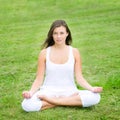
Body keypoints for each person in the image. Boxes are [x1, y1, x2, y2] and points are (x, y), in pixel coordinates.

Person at [21, 20, 103, 112]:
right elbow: (38, 79)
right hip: (48, 92)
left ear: (67, 34)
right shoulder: (44, 53)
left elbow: (79, 78)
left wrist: (92, 88)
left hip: (69, 92)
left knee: (95, 97)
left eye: (61, 33)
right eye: (55, 33)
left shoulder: (74, 52)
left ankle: (52, 102)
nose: (58, 36)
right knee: (26, 105)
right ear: (51, 35)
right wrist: (30, 92)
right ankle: (68, 102)